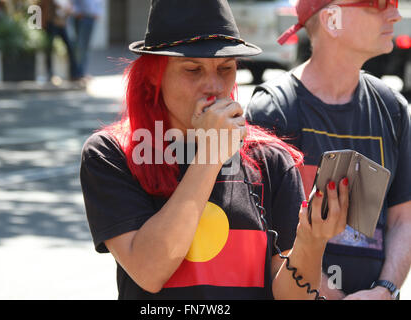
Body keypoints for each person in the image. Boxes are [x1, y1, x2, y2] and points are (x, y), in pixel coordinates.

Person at [80, 0, 349, 300]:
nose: (214, 86)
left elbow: (290, 296)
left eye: (225, 68)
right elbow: (150, 270)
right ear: (154, 74)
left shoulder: (271, 159)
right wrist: (209, 155)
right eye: (193, 69)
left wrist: (312, 242)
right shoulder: (113, 153)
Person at [245, 0, 411, 300]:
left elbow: (404, 216)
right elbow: (264, 236)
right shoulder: (273, 110)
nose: (395, 14)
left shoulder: (393, 108)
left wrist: (385, 290)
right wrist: (328, 295)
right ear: (331, 19)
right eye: (379, 4)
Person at [40, 0, 77, 82]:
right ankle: (49, 74)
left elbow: (69, 9)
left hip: (62, 24)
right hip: (51, 24)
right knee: (49, 49)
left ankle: (74, 74)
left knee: (70, 48)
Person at [71, 0, 102, 80]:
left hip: (88, 17)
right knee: (82, 47)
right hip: (83, 17)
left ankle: (81, 73)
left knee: (84, 47)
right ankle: (79, 73)